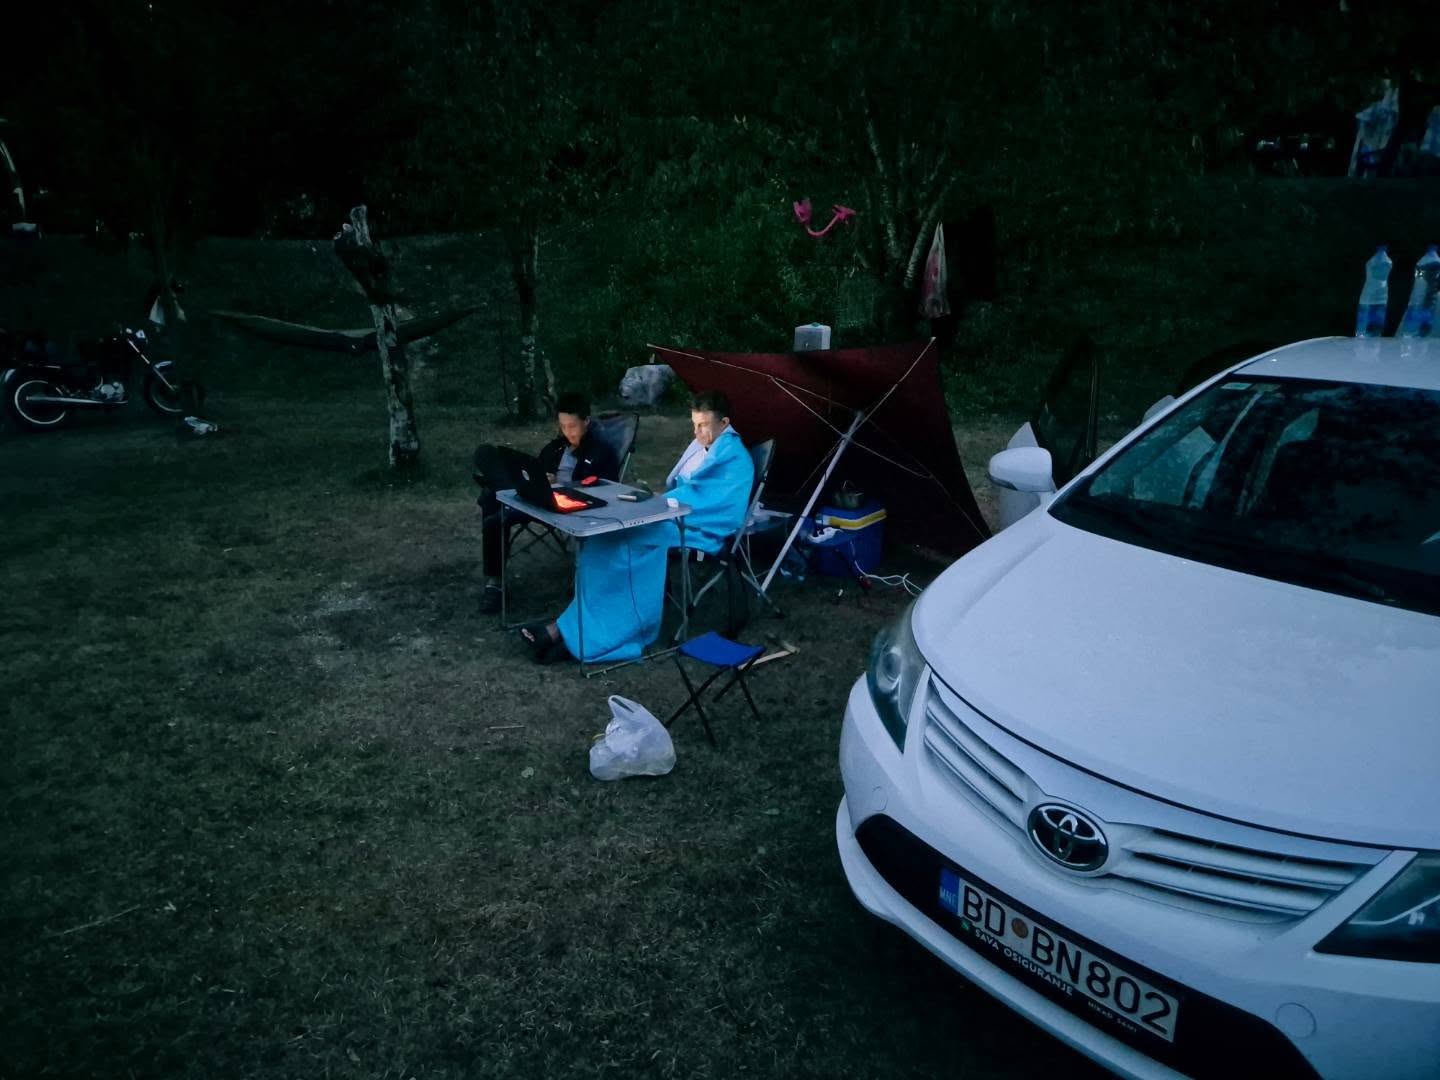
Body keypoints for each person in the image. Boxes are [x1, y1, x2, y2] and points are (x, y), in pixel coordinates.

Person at [520, 390, 753, 664]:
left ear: (724, 423)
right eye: (694, 424)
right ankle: (573, 629)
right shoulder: (708, 448)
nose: (696, 432)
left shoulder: (734, 459)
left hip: (697, 530)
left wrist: (664, 505)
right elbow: (688, 491)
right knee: (602, 540)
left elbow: (720, 507)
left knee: (623, 544)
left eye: (703, 425)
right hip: (673, 518)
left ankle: (590, 637)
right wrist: (661, 503)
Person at [475, 392, 621, 614]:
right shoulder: (556, 447)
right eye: (562, 426)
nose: (567, 431)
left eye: (572, 426)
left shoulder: (600, 451)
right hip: (538, 498)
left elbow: (605, 487)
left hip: (565, 508)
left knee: (492, 511)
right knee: (485, 452)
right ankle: (502, 489)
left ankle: (494, 585)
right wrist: (543, 478)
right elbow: (535, 470)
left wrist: (563, 485)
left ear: (586, 422)